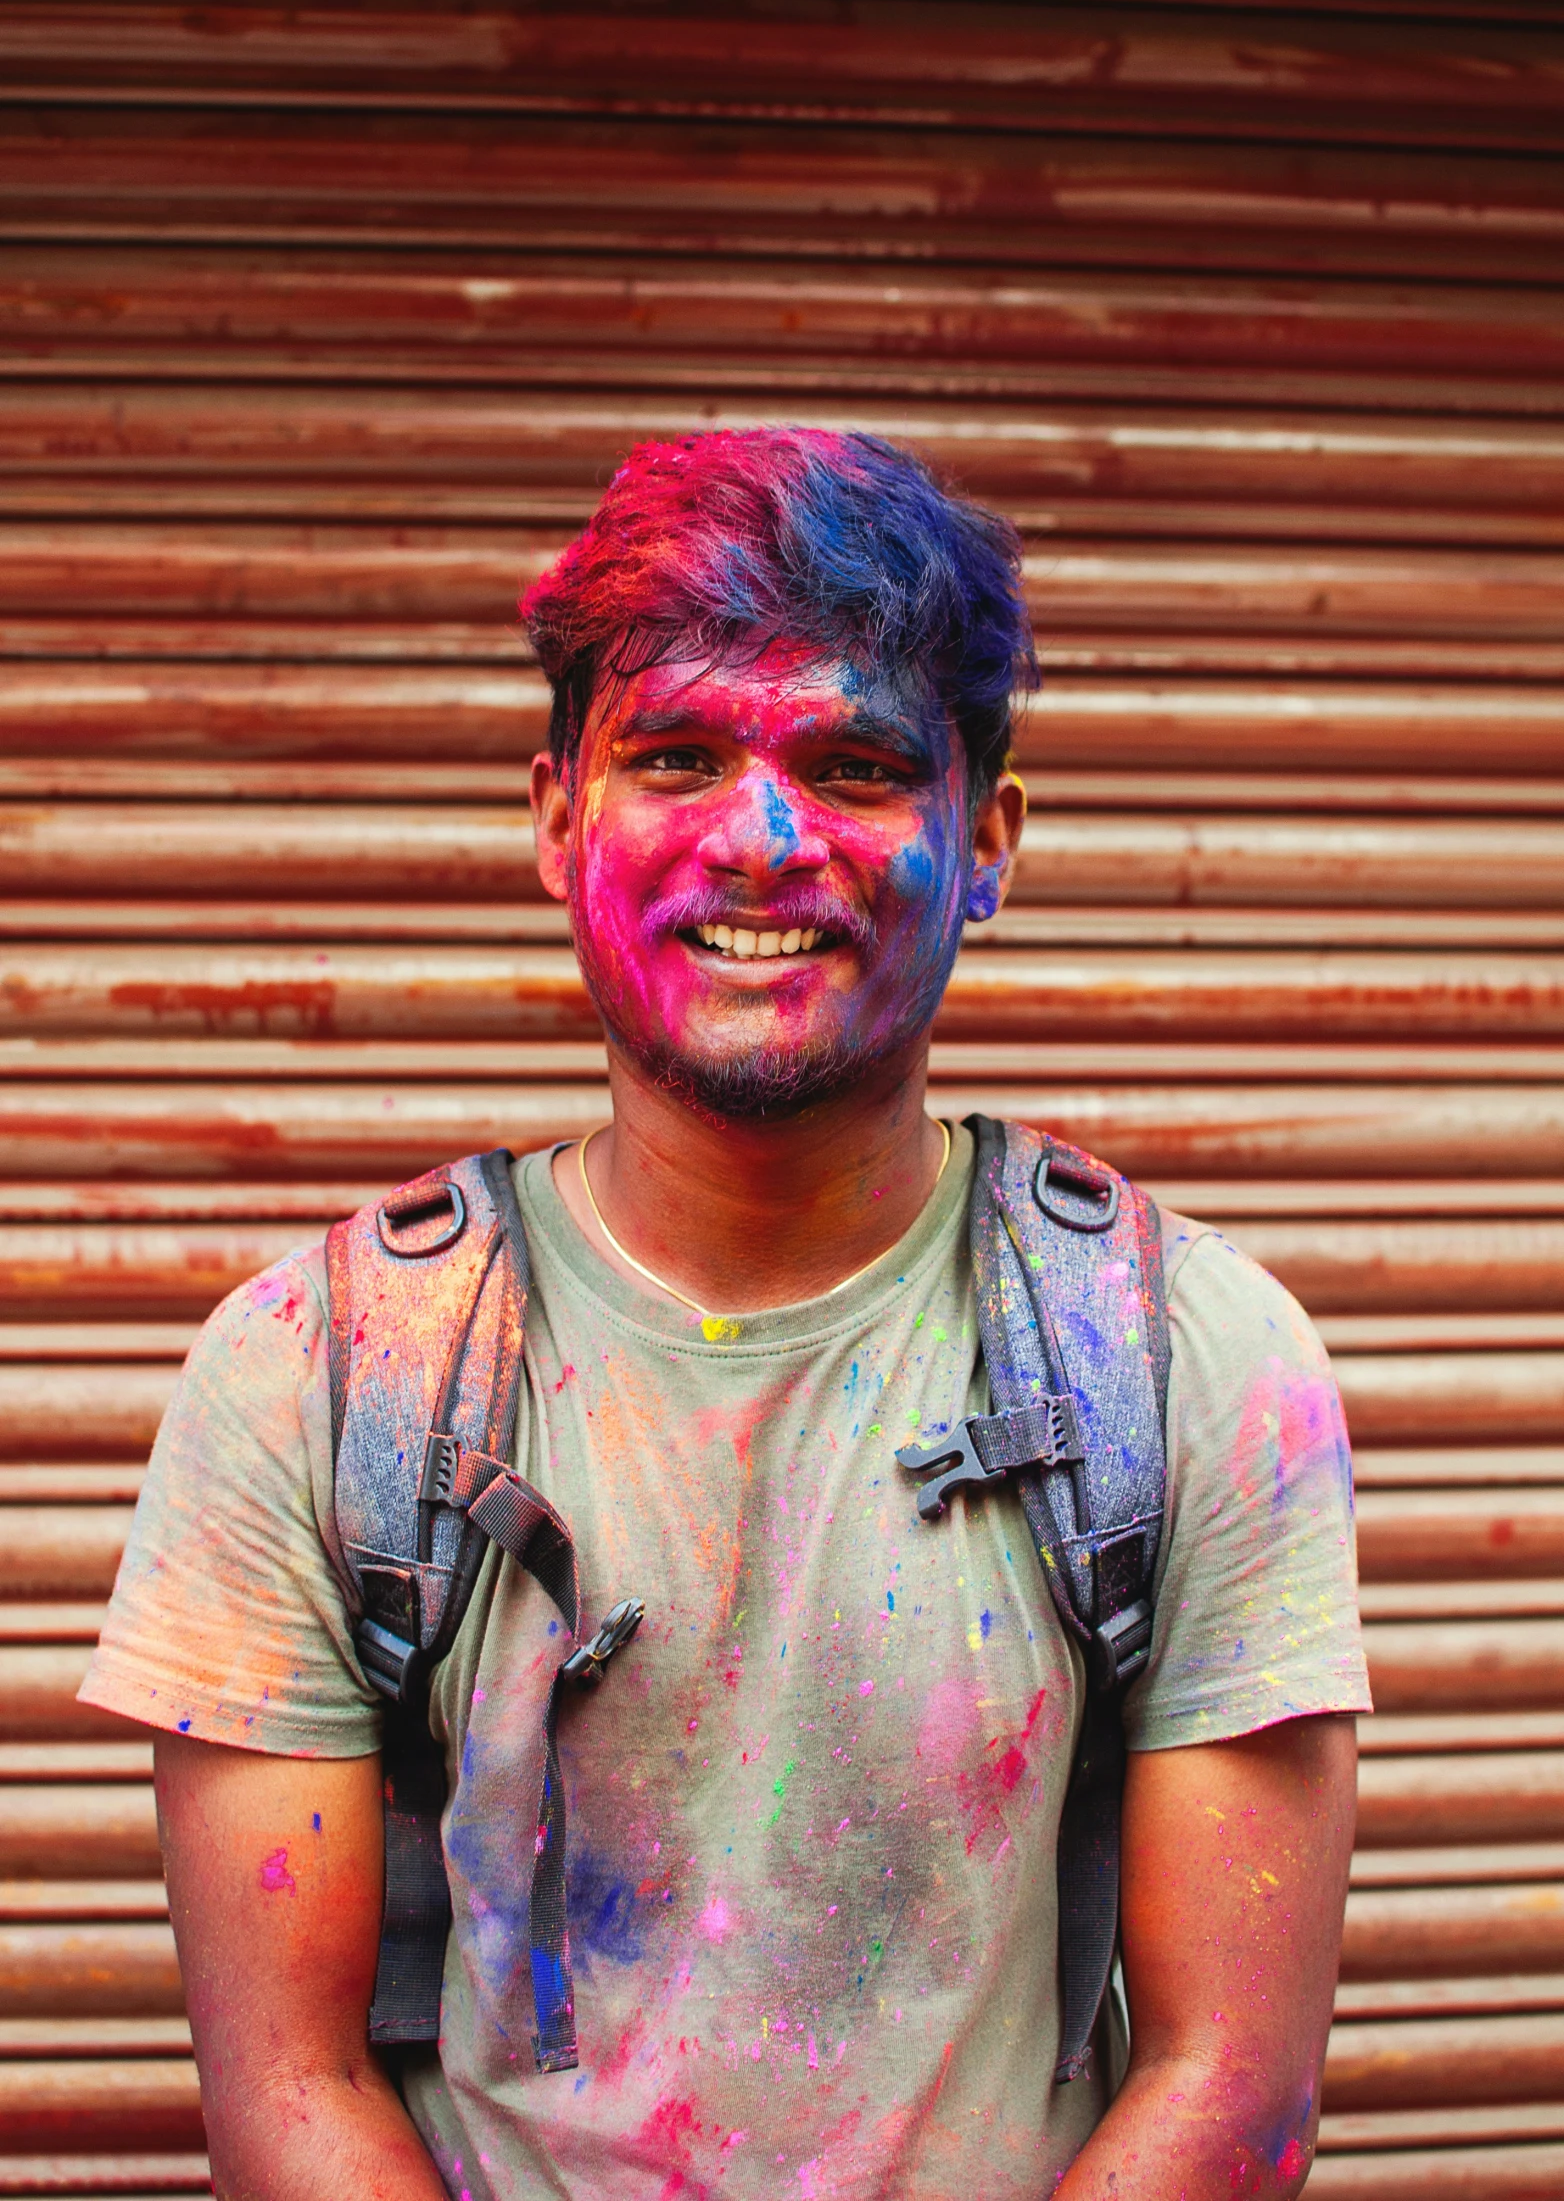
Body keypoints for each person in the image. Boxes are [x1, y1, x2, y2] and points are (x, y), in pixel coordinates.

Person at [83, 428, 1368, 2201]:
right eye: (677, 754)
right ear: (556, 818)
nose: (761, 842)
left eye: (851, 764)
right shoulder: (317, 1374)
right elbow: (287, 2098)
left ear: (984, 840)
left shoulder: (1192, 1360)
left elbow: (1235, 2088)